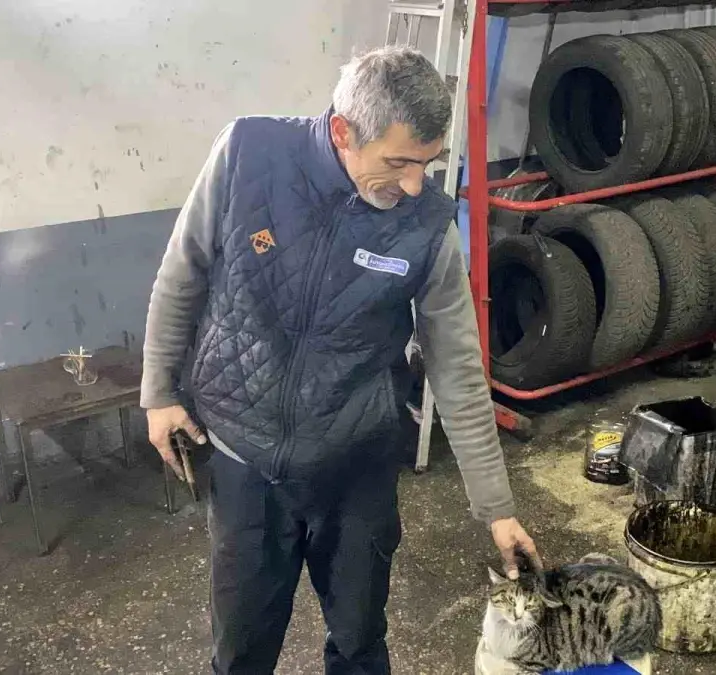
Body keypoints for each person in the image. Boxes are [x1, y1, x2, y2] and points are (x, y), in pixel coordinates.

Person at [139, 46, 540, 675]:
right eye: (399, 162)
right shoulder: (248, 154)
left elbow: (458, 367)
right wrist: (159, 392)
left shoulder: (427, 225)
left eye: (428, 163)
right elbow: (183, 271)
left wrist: (498, 509)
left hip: (356, 469)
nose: (415, 184)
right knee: (240, 651)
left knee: (358, 645)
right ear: (343, 132)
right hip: (246, 461)